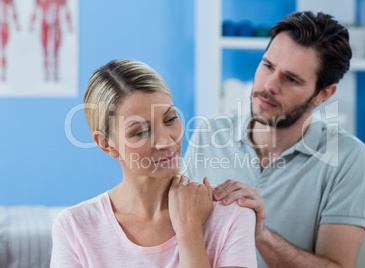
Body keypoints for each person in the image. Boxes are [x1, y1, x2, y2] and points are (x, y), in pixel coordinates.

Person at [183, 11, 365, 268]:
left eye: (291, 79)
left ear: (323, 94)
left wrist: (261, 235)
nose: (270, 85)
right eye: (268, 66)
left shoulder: (346, 157)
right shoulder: (208, 135)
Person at [50, 59, 257, 268]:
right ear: (106, 144)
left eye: (170, 120)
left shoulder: (231, 214)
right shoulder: (74, 228)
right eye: (140, 132)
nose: (166, 142)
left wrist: (189, 232)